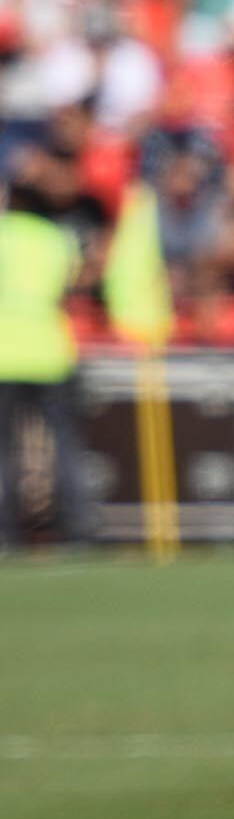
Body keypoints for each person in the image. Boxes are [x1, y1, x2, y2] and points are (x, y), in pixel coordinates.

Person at [0, 178, 91, 552]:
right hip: (51, 352)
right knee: (66, 445)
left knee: (4, 451)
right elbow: (71, 283)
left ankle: (6, 535)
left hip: (5, 354)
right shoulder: (56, 238)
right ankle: (82, 529)